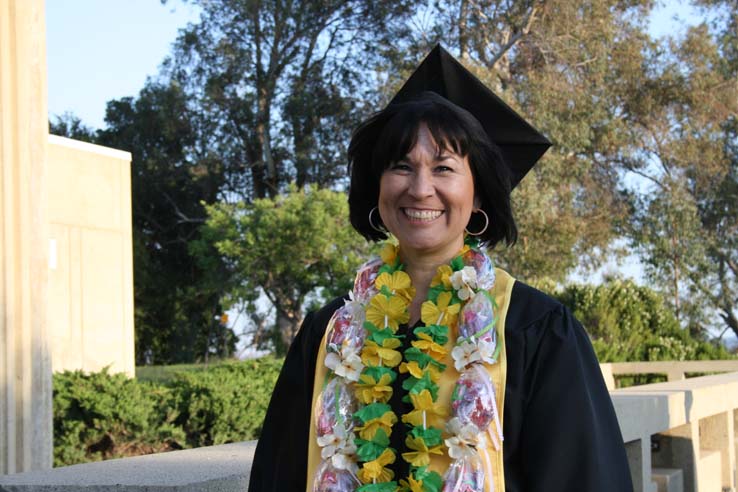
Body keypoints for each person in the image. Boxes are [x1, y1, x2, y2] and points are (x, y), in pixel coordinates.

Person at [248, 45, 633, 492]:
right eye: (401, 167)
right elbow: (279, 478)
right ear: (378, 188)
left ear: (480, 193)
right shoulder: (330, 335)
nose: (421, 188)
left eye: (444, 167)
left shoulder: (535, 330)